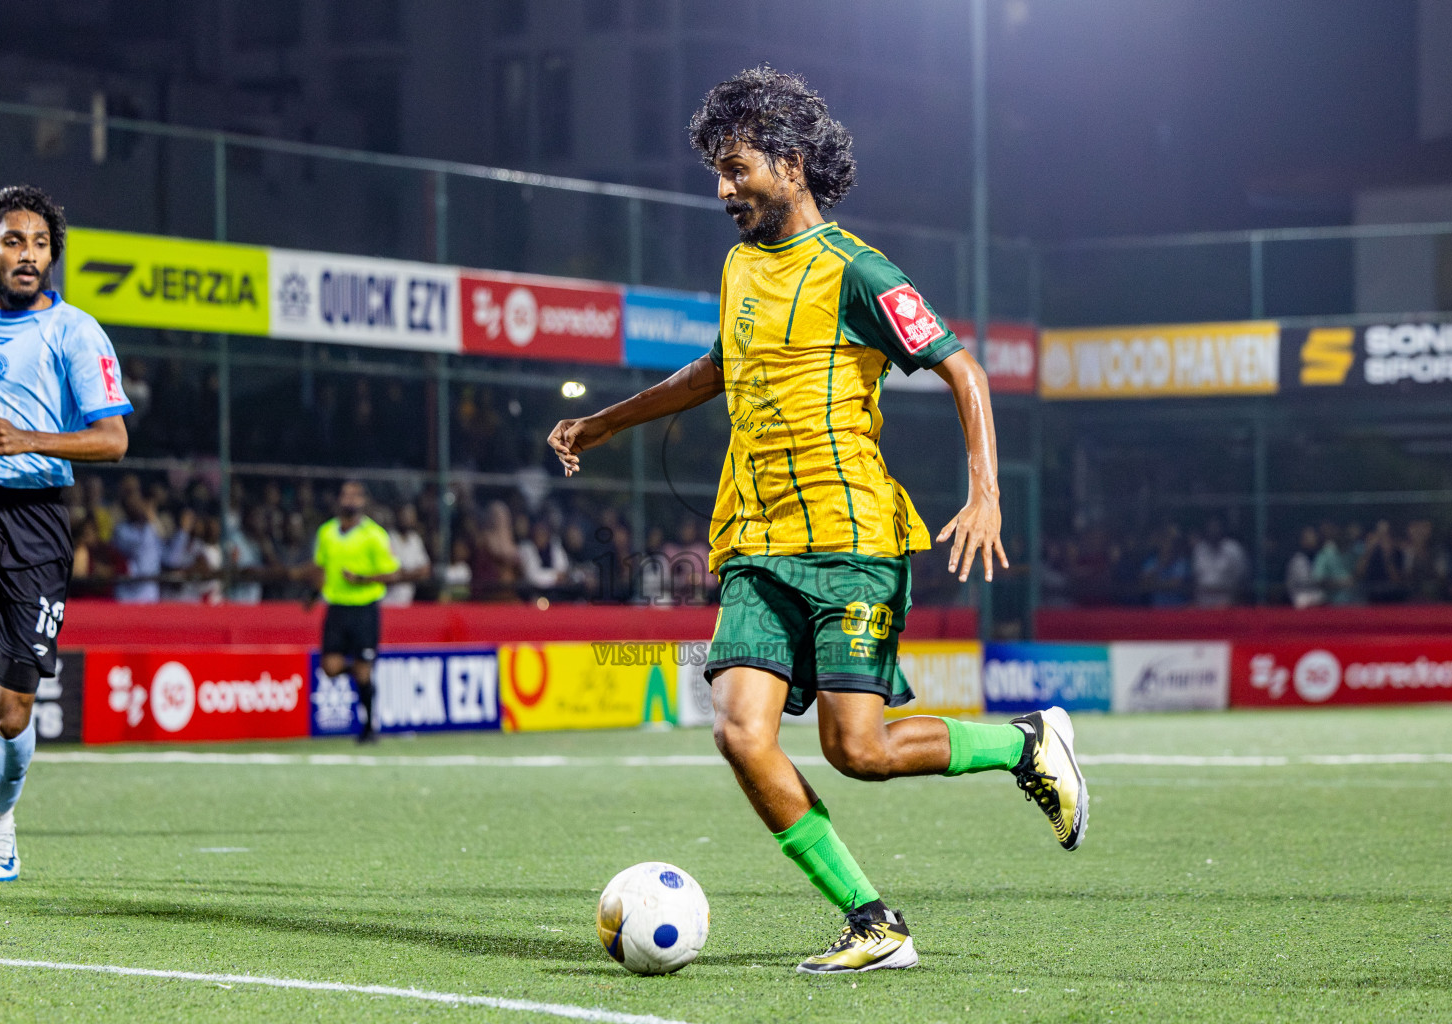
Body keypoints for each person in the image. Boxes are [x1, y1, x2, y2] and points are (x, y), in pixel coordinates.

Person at [547, 67, 1086, 975]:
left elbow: (963, 370)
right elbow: (716, 370)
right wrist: (603, 424)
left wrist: (985, 491)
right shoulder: (738, 266)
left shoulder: (857, 269)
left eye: (736, 169)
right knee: (738, 731)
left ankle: (1025, 742)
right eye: (717, 173)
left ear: (790, 165)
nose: (723, 191)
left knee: (858, 751)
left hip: (852, 543)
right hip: (756, 543)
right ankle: (874, 923)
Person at [0, 185, 131, 881]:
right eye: (14, 242)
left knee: (9, 714)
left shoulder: (75, 331)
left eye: (40, 244)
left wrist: (24, 439)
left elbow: (112, 440)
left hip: (37, 519)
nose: (28, 255)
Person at [309, 481, 401, 743]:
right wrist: (313, 595)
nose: (350, 500)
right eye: (345, 494)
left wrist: (362, 579)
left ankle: (369, 728)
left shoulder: (374, 535)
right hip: (336, 607)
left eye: (355, 495)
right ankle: (362, 673)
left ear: (363, 501)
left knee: (363, 670)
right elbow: (321, 568)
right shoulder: (326, 532)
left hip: (364, 609)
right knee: (330, 666)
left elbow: (393, 573)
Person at [1191, 516, 1248, 607]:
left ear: (1222, 529)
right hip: (1202, 605)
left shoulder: (1234, 549)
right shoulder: (1199, 550)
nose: (1213, 531)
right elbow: (1195, 578)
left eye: (1216, 528)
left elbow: (1241, 578)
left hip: (1227, 605)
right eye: (1210, 528)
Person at [382, 502, 432, 606]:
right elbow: (390, 573)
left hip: (408, 601)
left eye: (410, 516)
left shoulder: (415, 539)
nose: (407, 519)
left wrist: (402, 575)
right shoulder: (387, 538)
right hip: (387, 602)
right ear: (398, 515)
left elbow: (425, 570)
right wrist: (413, 574)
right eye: (404, 515)